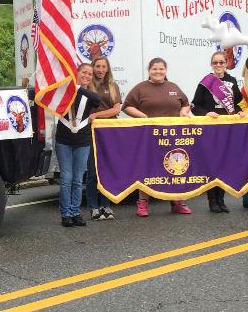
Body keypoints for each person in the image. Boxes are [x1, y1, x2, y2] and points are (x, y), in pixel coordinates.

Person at [123, 57, 193, 217]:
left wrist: (184, 111)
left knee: (176, 168)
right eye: (154, 69)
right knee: (147, 170)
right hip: (149, 138)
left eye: (161, 69)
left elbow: (186, 103)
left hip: (174, 137)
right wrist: (144, 117)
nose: (158, 72)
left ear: (166, 71)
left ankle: (177, 202)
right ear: (149, 71)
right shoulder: (141, 88)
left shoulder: (173, 87)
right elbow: (126, 107)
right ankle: (142, 204)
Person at [56, 63, 117, 227]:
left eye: (90, 74)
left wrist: (77, 86)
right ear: (76, 72)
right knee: (66, 179)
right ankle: (66, 214)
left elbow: (97, 100)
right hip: (64, 140)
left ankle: (75, 212)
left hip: (82, 141)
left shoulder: (90, 94)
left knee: (77, 180)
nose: (87, 76)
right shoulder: (64, 93)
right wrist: (70, 85)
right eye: (84, 72)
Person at [191, 51, 246, 213]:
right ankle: (212, 200)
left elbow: (236, 104)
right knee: (212, 163)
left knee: (223, 163)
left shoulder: (232, 81)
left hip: (227, 128)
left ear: (226, 63)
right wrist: (206, 113)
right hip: (211, 128)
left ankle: (221, 199)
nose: (218, 65)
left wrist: (239, 112)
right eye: (215, 63)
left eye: (221, 62)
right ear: (211, 65)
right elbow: (195, 105)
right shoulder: (205, 82)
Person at [85, 56, 122, 220]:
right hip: (91, 132)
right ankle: (93, 207)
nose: (100, 70)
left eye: (103, 67)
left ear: (108, 69)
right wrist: (93, 118)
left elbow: (116, 110)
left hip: (109, 133)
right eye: (97, 66)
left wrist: (97, 115)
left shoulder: (113, 86)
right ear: (93, 68)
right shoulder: (88, 86)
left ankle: (106, 206)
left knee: (107, 170)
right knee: (93, 171)